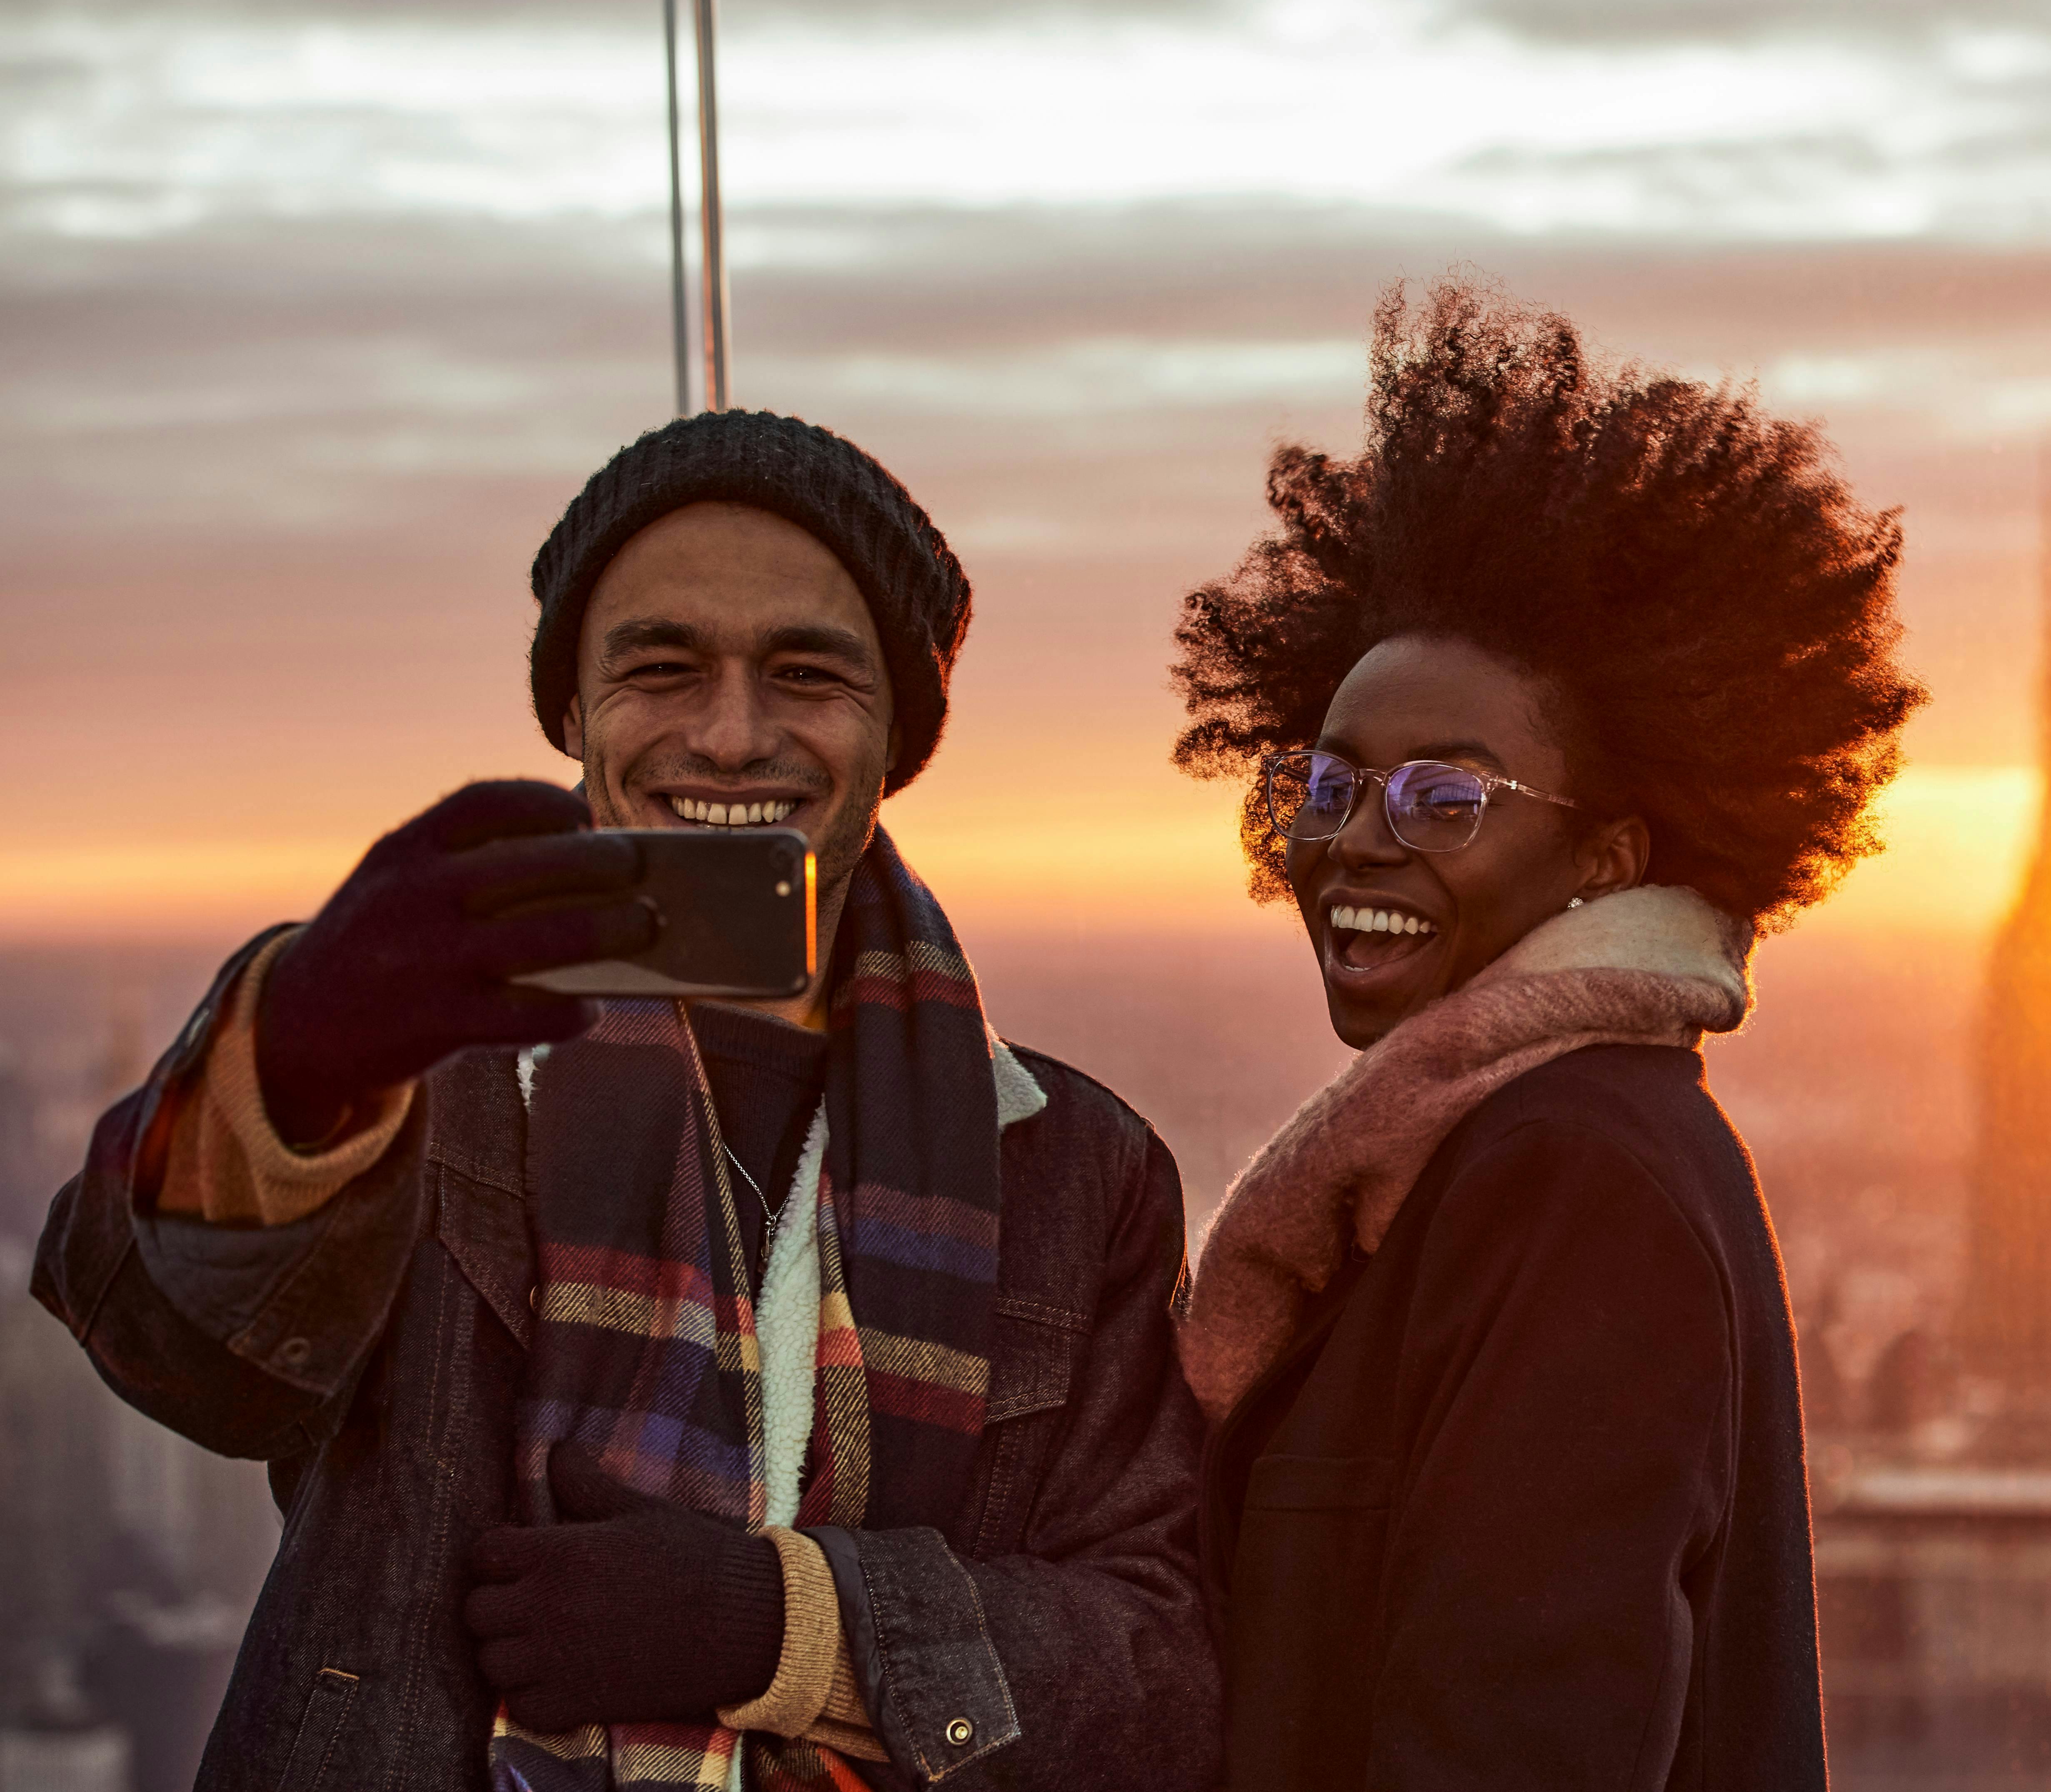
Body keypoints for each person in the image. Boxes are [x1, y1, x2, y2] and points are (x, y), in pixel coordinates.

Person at [32, 411, 1217, 1791]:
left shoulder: (1076, 1168)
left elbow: (1158, 1669)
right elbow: (170, 1346)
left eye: (806, 674)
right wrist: (297, 1056)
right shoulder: (429, 1077)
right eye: (661, 669)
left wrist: (782, 1624)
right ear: (572, 713)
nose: (729, 734)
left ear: (898, 735)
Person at [1168, 281, 1924, 1791]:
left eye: (1445, 801)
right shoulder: (1484, 1148)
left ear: (1609, 858)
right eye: (1327, 788)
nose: (1356, 844)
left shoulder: (1573, 1178)